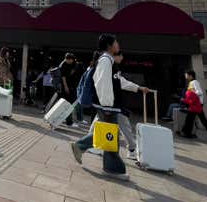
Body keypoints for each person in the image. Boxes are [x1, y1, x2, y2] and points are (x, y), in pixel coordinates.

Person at [71, 36, 149, 175]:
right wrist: (107, 106)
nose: (118, 44)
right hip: (108, 106)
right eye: (116, 42)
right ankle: (113, 168)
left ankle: (81, 147)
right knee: (110, 136)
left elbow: (120, 82)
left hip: (110, 106)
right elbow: (103, 84)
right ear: (109, 45)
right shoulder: (106, 60)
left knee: (107, 134)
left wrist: (138, 88)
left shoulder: (110, 62)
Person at [178, 71, 207, 142]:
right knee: (196, 120)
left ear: (191, 76)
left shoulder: (194, 82)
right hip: (197, 104)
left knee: (191, 119)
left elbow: (199, 92)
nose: (185, 76)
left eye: (186, 75)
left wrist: (191, 95)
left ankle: (186, 133)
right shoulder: (192, 83)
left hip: (196, 104)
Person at [59, 53, 83, 126]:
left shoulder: (76, 64)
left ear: (72, 59)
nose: (67, 61)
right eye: (66, 59)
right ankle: (69, 122)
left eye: (69, 59)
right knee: (69, 104)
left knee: (72, 104)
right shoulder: (63, 65)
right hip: (67, 88)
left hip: (74, 87)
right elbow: (63, 77)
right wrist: (66, 86)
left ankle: (66, 119)